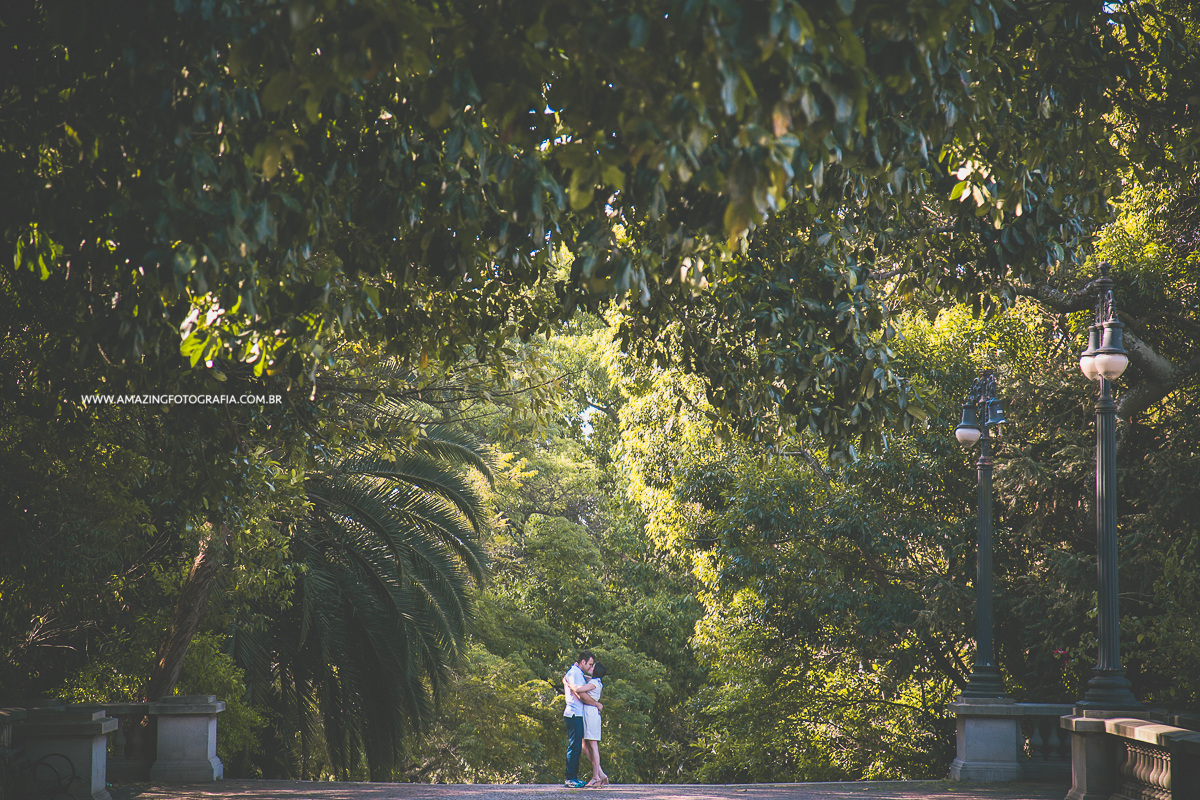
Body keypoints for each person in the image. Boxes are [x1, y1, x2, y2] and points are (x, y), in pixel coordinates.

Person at [561, 651, 594, 788]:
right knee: (574, 746)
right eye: (590, 664)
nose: (590, 667)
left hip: (577, 713)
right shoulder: (575, 673)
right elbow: (580, 695)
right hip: (574, 714)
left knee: (577, 747)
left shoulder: (577, 672)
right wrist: (596, 704)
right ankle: (570, 778)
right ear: (583, 662)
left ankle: (573, 776)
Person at [578, 662, 608, 787]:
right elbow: (586, 677)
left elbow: (578, 689)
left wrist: (568, 683)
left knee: (593, 745)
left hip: (591, 713)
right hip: (588, 713)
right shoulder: (596, 681)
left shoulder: (594, 683)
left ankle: (596, 777)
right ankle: (601, 774)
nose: (590, 668)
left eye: (592, 667)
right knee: (584, 745)